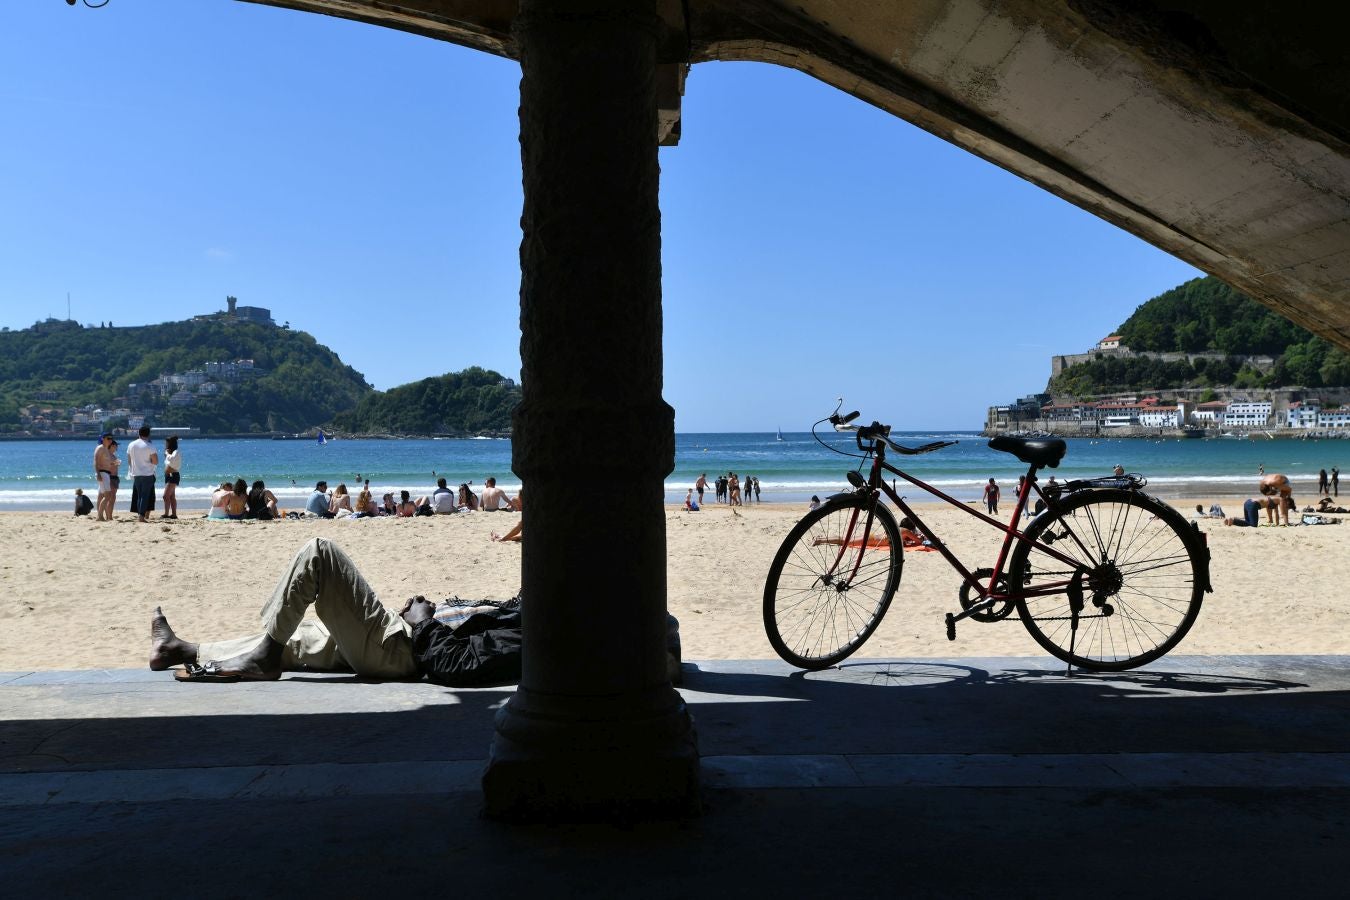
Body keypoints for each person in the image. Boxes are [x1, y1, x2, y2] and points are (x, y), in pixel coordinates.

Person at [149, 537, 522, 686]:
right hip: (400, 637)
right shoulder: (534, 615)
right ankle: (184, 650)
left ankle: (264, 659)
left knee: (320, 553)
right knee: (292, 637)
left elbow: (458, 665)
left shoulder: (534, 635)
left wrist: (424, 622)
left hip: (401, 650)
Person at [126, 425, 159, 523]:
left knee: (140, 495)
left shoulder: (131, 444)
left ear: (139, 433)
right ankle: (141, 516)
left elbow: (129, 460)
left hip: (136, 473)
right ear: (148, 434)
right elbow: (155, 461)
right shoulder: (150, 445)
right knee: (144, 496)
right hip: (147, 473)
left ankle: (140, 515)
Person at [161, 435, 181, 520]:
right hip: (169, 475)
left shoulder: (176, 452)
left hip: (173, 475)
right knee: (171, 496)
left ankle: (166, 514)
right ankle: (173, 514)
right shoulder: (171, 452)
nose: (165, 445)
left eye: (166, 443)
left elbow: (172, 460)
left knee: (165, 496)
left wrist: (167, 454)